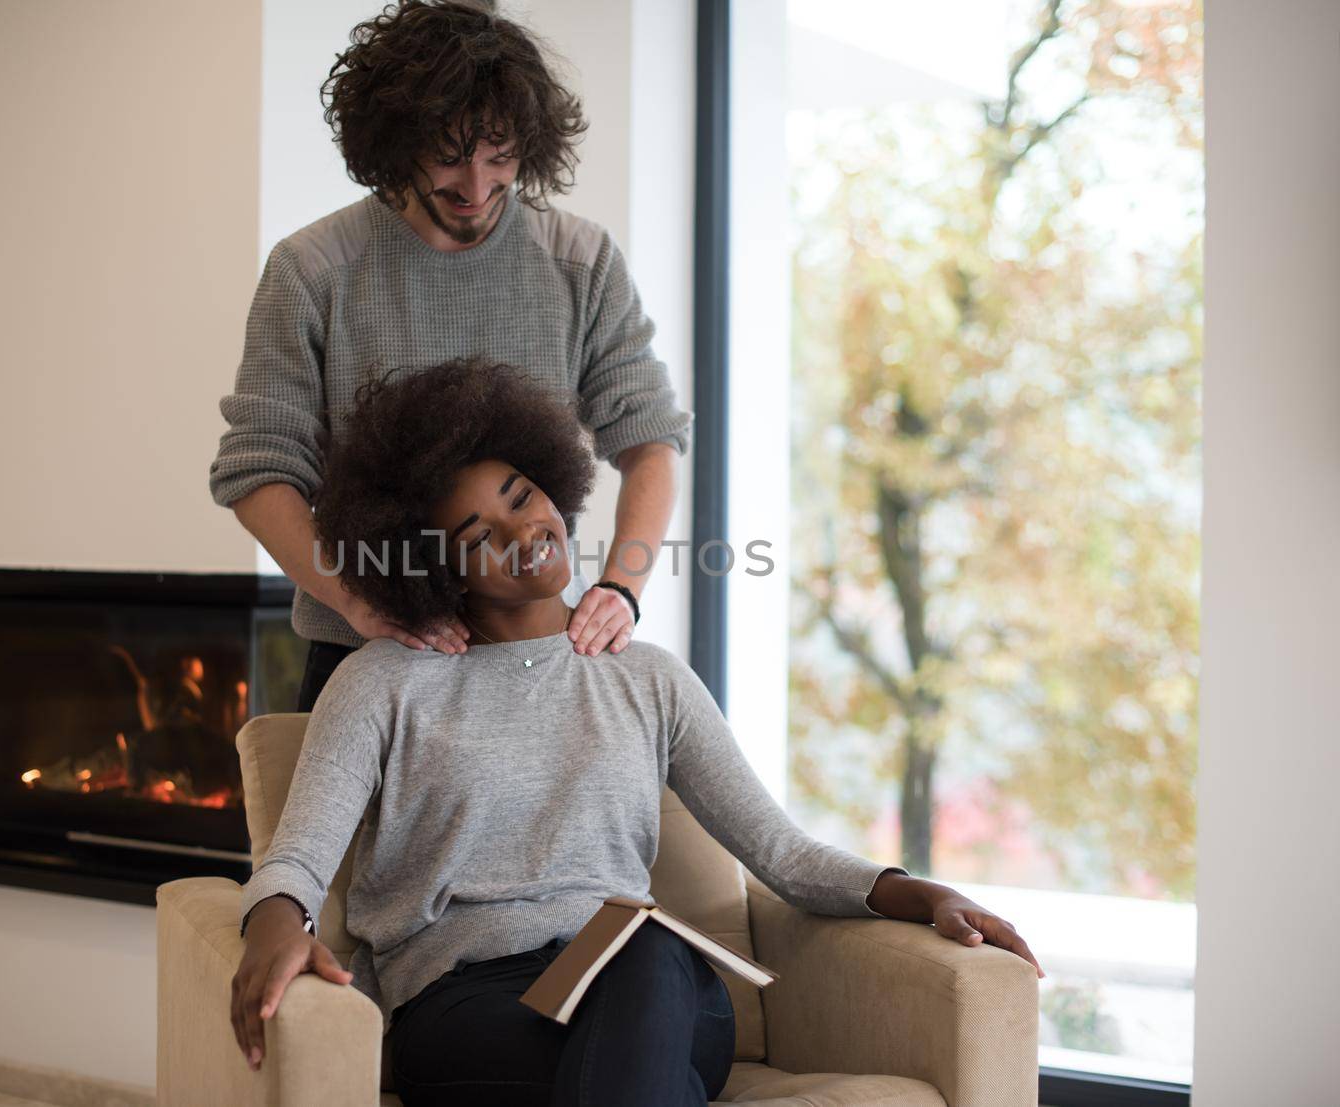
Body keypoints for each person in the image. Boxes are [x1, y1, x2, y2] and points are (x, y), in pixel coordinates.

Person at [228, 360, 1044, 1106]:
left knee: (648, 949)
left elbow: (782, 853)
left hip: (654, 987)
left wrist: (927, 893)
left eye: (521, 496)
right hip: (470, 1005)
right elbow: (296, 860)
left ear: (551, 480)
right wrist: (274, 924)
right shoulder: (382, 680)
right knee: (647, 1045)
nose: (525, 533)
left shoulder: (646, 677)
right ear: (435, 563)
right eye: (479, 536)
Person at [208, 0, 691, 712]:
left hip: (535, 661)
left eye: (500, 158)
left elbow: (650, 438)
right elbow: (258, 471)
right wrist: (360, 602)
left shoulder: (579, 261)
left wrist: (621, 587)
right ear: (393, 141)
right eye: (447, 156)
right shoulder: (313, 270)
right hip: (365, 661)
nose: (475, 188)